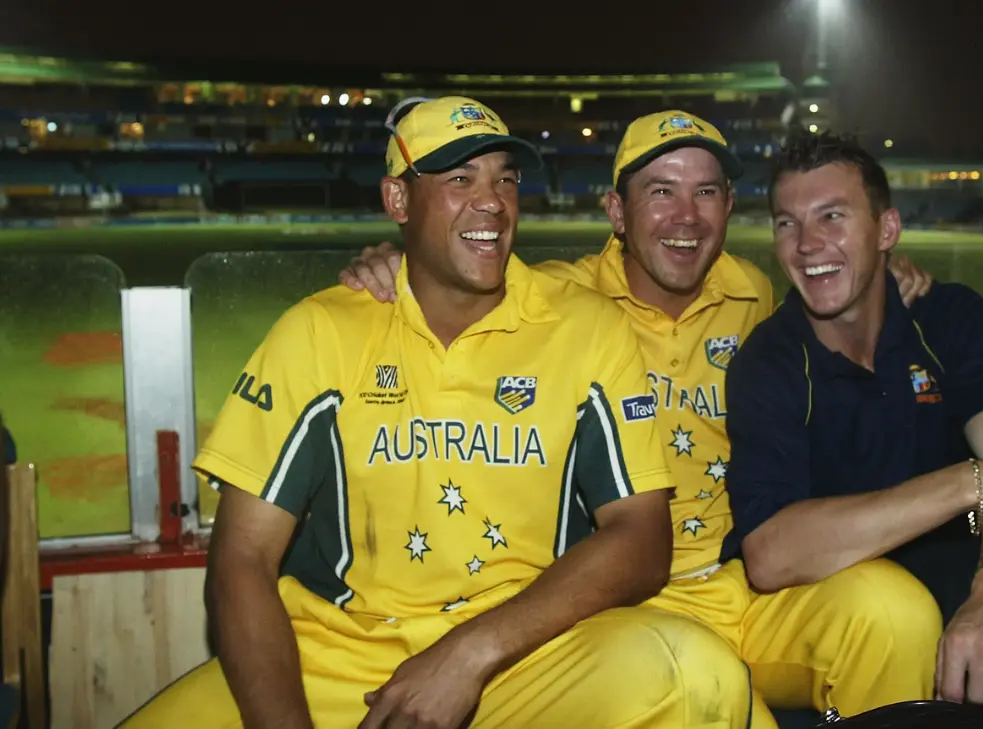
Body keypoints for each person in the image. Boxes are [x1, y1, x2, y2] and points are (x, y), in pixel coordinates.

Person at [120, 96, 751, 729]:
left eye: (505, 178)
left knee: (699, 676)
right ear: (397, 201)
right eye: (458, 179)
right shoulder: (317, 333)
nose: (492, 200)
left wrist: (469, 653)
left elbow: (643, 540)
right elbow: (242, 558)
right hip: (335, 658)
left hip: (526, 656)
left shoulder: (586, 328)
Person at [339, 110, 943, 728]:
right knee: (712, 694)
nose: (687, 216)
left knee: (898, 615)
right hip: (618, 604)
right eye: (660, 192)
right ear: (617, 212)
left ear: (729, 206)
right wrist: (391, 258)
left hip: (752, 585)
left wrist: (885, 271)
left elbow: (842, 302)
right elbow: (456, 283)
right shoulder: (555, 302)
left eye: (706, 192)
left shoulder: (755, 295)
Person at [723, 128, 983, 728]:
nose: (808, 244)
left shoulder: (949, 316)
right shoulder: (769, 362)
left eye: (832, 216)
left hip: (979, 561)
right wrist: (972, 483)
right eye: (787, 223)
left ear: (886, 230)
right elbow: (771, 554)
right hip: (857, 587)